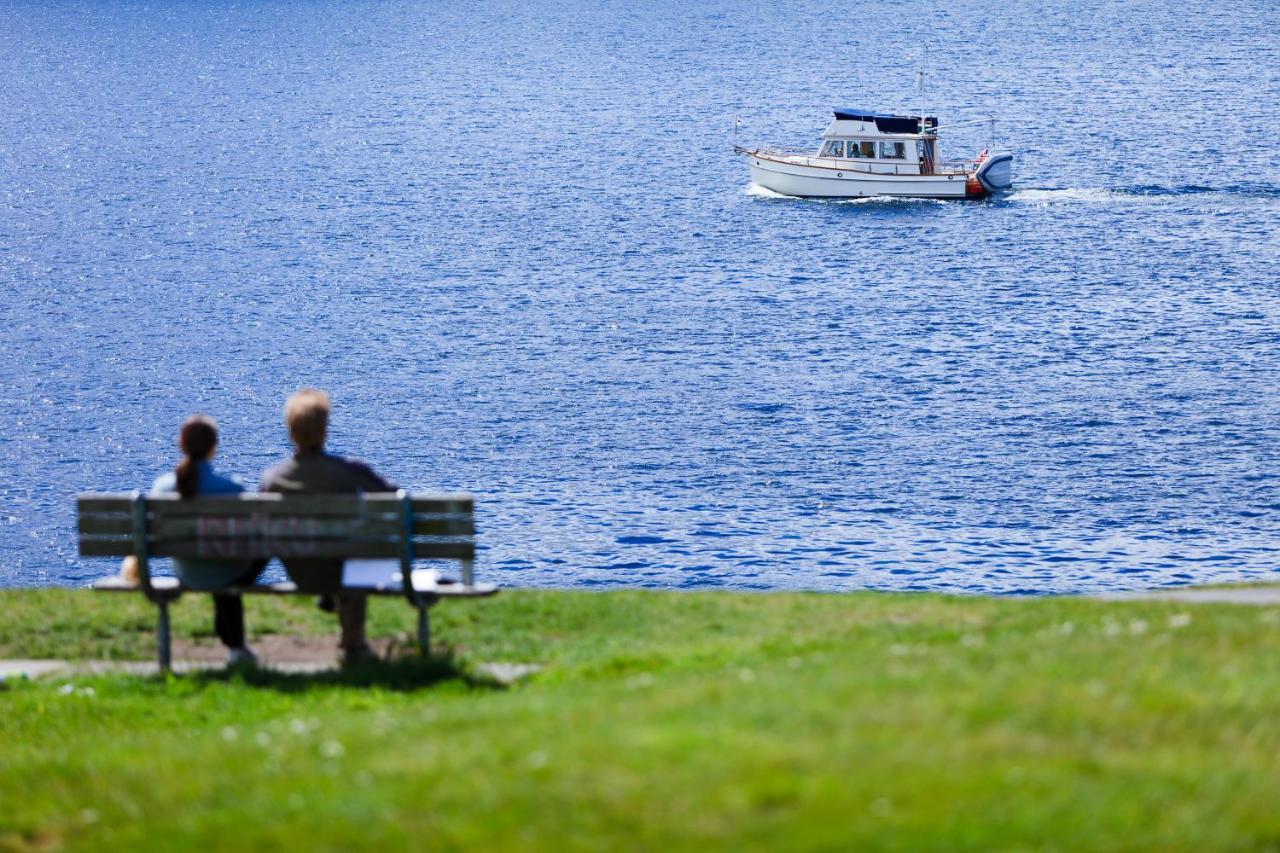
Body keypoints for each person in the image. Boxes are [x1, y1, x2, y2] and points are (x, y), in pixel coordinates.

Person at [260, 389, 395, 664]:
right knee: (356, 547)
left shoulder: (273, 478)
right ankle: (353, 643)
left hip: (300, 569)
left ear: (290, 431)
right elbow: (393, 497)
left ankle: (340, 619)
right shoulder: (347, 470)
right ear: (324, 430)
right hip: (344, 570)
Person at [142, 414, 260, 666]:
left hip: (186, 570)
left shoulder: (161, 488)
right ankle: (237, 649)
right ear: (213, 447)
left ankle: (236, 648)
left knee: (215, 556)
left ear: (181, 445)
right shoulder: (231, 489)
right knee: (242, 553)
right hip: (226, 570)